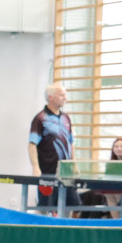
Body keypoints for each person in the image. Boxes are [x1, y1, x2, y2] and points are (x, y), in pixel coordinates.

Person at [28, 83, 79, 213]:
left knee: (71, 206)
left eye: (65, 95)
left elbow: (71, 142)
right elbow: (32, 144)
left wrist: (74, 164)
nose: (65, 98)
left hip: (66, 172)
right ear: (51, 97)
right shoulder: (40, 118)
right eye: (62, 95)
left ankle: (66, 231)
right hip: (48, 171)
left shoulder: (66, 118)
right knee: (46, 208)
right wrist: (35, 167)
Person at [102, 137, 122, 218]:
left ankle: (119, 220)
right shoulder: (110, 164)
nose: (119, 149)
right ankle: (116, 220)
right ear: (113, 149)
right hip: (113, 189)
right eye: (116, 146)